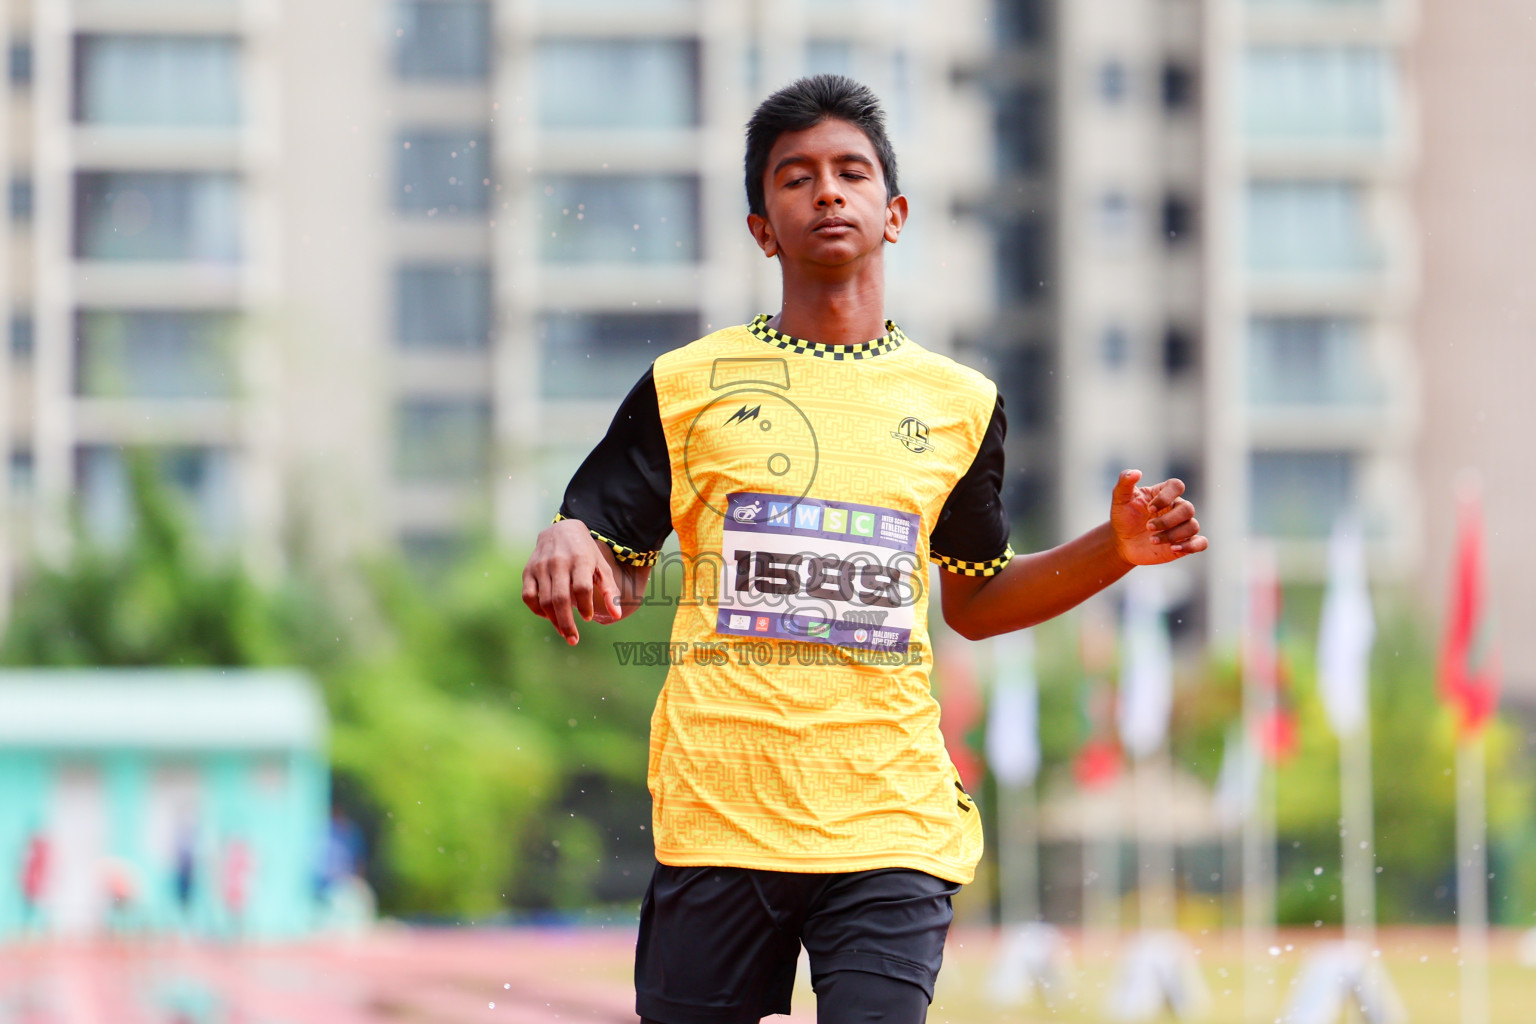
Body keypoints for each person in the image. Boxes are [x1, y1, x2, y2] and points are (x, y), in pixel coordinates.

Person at [522, 75, 1207, 1024]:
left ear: (895, 213)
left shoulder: (962, 404)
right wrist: (569, 540)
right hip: (723, 811)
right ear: (763, 226)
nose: (828, 193)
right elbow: (610, 551)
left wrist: (1114, 549)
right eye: (796, 178)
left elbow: (974, 600)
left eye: (851, 173)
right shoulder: (685, 386)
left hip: (891, 819)